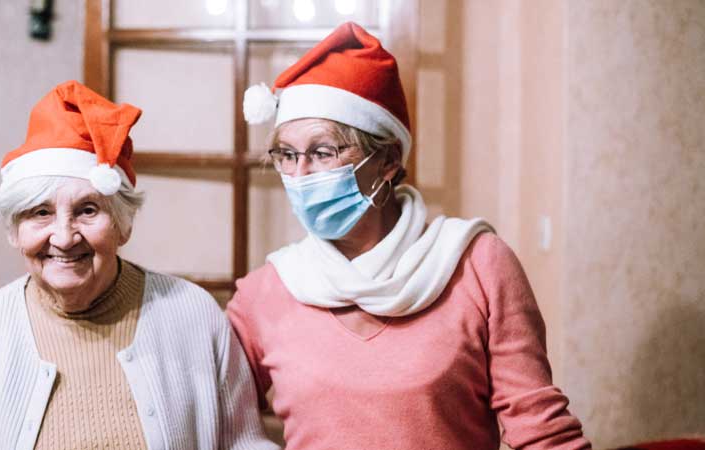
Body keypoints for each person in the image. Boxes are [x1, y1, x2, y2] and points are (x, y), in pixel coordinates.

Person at [228, 22, 591, 449]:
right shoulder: (265, 293)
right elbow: (211, 421)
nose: (300, 175)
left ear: (388, 159)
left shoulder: (477, 265)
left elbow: (542, 432)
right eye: (287, 155)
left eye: (323, 152)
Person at [0, 80, 278, 450]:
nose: (64, 237)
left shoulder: (193, 314)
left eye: (88, 210)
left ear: (123, 225)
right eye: (40, 213)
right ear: (15, 231)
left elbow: (244, 443)